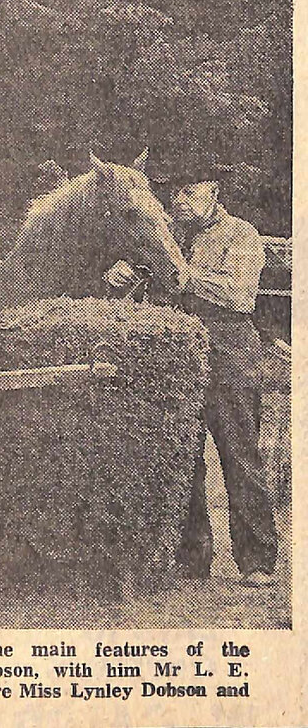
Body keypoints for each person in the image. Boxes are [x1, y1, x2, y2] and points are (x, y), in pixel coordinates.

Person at [105, 161, 277, 587]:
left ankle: (256, 559)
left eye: (189, 191)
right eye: (174, 194)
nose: (179, 201)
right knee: (184, 456)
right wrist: (121, 276)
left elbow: (239, 295)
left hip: (228, 348)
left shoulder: (240, 234)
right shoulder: (166, 236)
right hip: (177, 349)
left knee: (239, 453)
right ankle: (191, 557)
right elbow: (142, 283)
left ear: (214, 191)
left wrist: (182, 275)